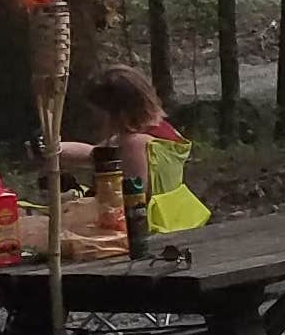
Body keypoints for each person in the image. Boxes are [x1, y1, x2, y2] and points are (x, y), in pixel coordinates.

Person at [48, 64, 212, 237]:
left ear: (117, 113)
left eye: (98, 114)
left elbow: (128, 202)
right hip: (177, 222)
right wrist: (52, 149)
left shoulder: (134, 144)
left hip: (150, 231)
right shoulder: (159, 128)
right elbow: (95, 153)